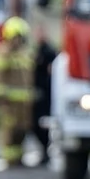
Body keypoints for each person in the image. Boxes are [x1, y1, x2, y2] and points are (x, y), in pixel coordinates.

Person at [0, 16, 34, 167]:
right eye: (17, 37)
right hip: (8, 101)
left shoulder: (25, 54)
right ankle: (9, 159)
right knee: (9, 130)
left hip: (24, 102)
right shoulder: (0, 53)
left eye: (21, 37)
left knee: (21, 131)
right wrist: (1, 97)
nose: (19, 41)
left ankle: (18, 157)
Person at [30, 23, 58, 166]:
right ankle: (44, 151)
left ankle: (45, 152)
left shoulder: (48, 52)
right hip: (37, 92)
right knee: (35, 124)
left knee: (41, 123)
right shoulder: (38, 50)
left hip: (45, 94)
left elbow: (51, 72)